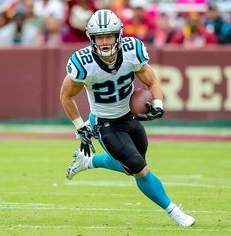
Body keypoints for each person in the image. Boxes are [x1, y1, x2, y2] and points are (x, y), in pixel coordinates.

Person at [60, 9, 195, 227]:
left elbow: (152, 81)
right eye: (99, 37)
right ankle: (174, 211)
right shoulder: (83, 62)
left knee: (129, 166)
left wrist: (158, 104)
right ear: (91, 38)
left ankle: (88, 161)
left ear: (118, 35)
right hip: (104, 123)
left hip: (130, 117)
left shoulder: (133, 50)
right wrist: (80, 126)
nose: (104, 42)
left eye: (108, 36)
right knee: (139, 169)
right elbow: (66, 95)